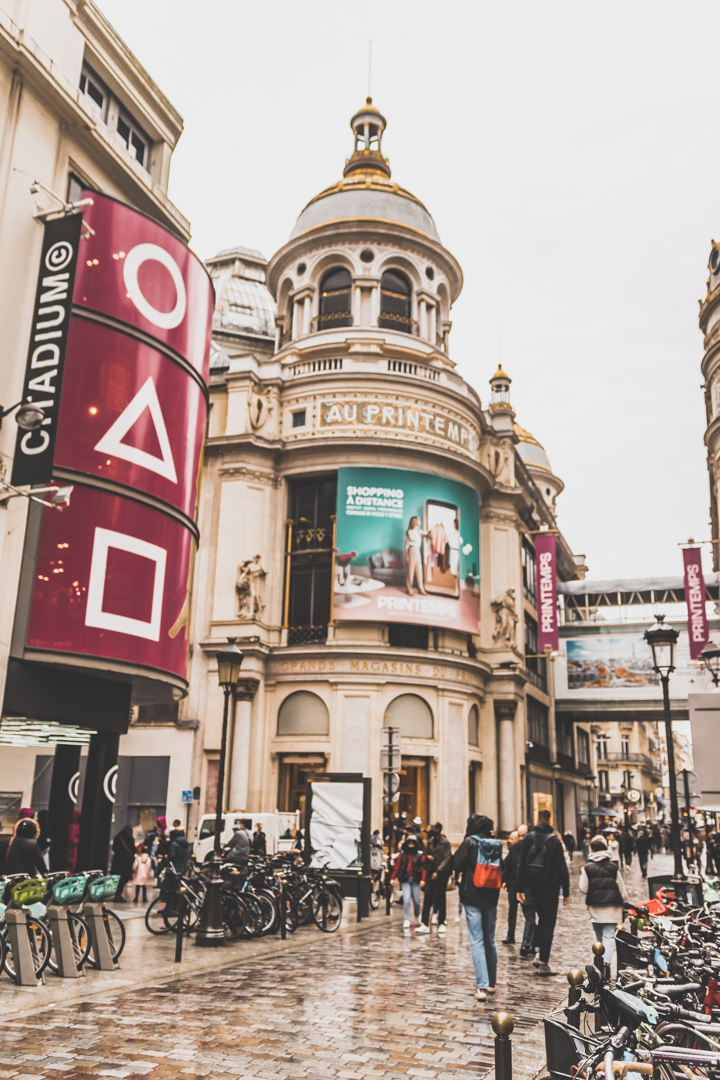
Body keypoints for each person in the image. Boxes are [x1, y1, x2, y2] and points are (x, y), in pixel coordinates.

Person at [453, 813, 503, 1002]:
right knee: (490, 940)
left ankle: (481, 987)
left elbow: (456, 863)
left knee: (476, 941)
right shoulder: (495, 843)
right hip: (491, 896)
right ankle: (492, 983)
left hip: (472, 896)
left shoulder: (470, 842)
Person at [517, 809, 570, 976]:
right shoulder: (554, 841)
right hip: (550, 888)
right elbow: (562, 868)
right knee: (547, 923)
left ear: (537, 819)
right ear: (550, 820)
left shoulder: (528, 838)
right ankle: (543, 961)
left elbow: (521, 864)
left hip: (532, 887)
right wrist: (566, 890)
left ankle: (539, 952)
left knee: (539, 920)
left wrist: (519, 888)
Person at [579, 835, 629, 966]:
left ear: (592, 849)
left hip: (596, 907)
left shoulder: (588, 868)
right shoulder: (613, 867)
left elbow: (583, 888)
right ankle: (605, 965)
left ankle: (600, 962)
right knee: (609, 936)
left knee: (599, 938)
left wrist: (582, 874)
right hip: (613, 907)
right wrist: (626, 906)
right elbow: (621, 888)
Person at [417, 822, 452, 934]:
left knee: (440, 897)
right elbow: (426, 855)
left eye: (433, 828)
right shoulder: (430, 842)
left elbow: (447, 858)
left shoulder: (445, 843)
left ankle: (441, 922)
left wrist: (438, 871)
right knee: (427, 897)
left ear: (438, 829)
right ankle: (424, 923)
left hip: (441, 874)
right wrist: (428, 858)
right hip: (430, 872)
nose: (431, 829)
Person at [390, 835, 425, 928]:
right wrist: (393, 877)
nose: (411, 845)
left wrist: (423, 879)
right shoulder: (403, 854)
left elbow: (423, 867)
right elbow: (398, 866)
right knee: (406, 899)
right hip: (405, 879)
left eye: (412, 843)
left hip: (416, 879)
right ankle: (406, 919)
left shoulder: (420, 855)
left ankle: (417, 916)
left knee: (417, 900)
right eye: (409, 843)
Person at [501, 830, 522, 945]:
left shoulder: (525, 848)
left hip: (523, 886)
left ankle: (530, 939)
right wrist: (502, 881)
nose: (509, 841)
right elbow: (507, 866)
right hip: (513, 885)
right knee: (512, 911)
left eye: (511, 838)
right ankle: (511, 935)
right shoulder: (512, 850)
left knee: (528, 913)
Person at [405, 516, 428, 596]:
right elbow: (406, 545)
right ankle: (409, 589)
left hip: (418, 551)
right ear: (415, 522)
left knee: (419, 570)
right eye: (419, 520)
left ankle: (421, 589)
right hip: (412, 550)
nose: (420, 522)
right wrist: (407, 556)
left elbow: (427, 532)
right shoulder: (410, 532)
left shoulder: (419, 531)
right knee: (410, 571)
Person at [111, 825, 136, 902]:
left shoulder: (117, 837)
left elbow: (113, 848)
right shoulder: (130, 839)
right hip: (126, 862)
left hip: (117, 860)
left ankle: (116, 894)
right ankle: (119, 894)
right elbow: (133, 850)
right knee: (123, 879)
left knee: (117, 879)